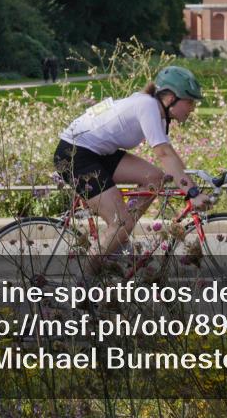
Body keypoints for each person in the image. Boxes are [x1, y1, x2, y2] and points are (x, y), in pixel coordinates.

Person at [54, 66, 210, 271]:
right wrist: (192, 191)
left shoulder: (156, 112)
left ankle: (118, 241)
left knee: (155, 178)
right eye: (190, 102)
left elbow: (170, 156)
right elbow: (164, 154)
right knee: (120, 223)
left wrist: (193, 182)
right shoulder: (147, 106)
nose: (192, 108)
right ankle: (82, 284)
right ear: (171, 98)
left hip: (98, 152)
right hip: (75, 155)